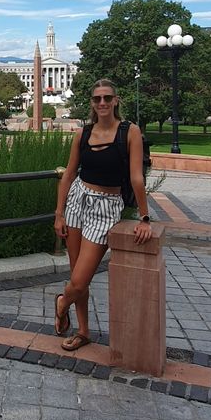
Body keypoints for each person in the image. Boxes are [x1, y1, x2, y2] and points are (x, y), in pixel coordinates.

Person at [53, 78, 152, 351]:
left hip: (107, 206)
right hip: (77, 201)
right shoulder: (83, 134)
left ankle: (62, 303)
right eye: (97, 99)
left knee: (80, 278)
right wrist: (59, 213)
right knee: (76, 272)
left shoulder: (129, 131)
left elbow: (136, 177)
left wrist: (144, 217)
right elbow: (69, 174)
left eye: (107, 98)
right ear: (92, 104)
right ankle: (83, 331)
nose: (103, 103)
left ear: (116, 100)